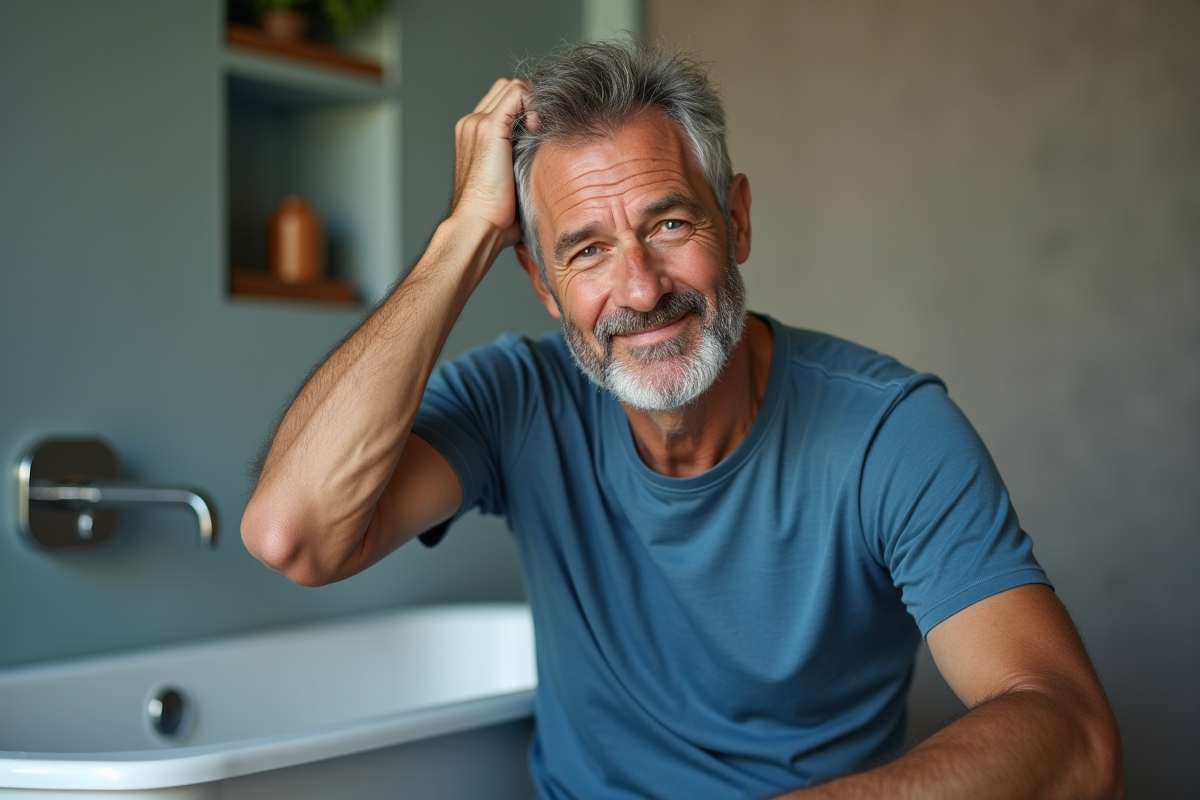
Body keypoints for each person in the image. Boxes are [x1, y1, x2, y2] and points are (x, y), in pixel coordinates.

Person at [242, 39, 1122, 800]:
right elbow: (296, 536)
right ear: (542, 283)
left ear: (735, 221)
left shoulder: (890, 433)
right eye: (587, 250)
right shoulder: (519, 400)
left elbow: (1073, 734)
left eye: (667, 223)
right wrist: (462, 236)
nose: (639, 289)